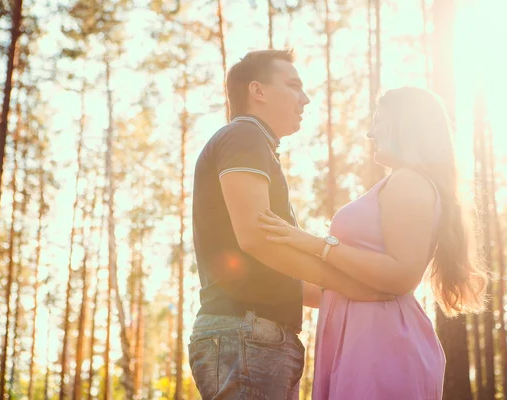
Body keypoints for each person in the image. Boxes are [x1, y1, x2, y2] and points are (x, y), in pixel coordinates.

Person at [259, 86, 488, 399]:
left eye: (379, 122)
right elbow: (345, 284)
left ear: (404, 125)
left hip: (383, 345)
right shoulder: (398, 182)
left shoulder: (409, 181)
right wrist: (257, 284)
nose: (370, 133)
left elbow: (402, 276)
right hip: (364, 338)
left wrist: (314, 244)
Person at [189, 49, 390, 400]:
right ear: (258, 91)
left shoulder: (255, 145)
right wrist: (347, 283)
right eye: (294, 85)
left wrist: (362, 291)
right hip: (247, 333)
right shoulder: (245, 137)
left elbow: (273, 273)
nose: (306, 98)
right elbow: (255, 239)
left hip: (256, 335)